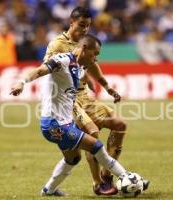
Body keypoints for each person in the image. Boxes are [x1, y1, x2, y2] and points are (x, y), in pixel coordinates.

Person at [10, 34, 144, 196]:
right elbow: (39, 71)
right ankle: (126, 176)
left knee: (73, 159)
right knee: (96, 146)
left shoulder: (79, 66)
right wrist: (21, 82)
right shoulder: (62, 60)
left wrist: (94, 84)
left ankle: (49, 190)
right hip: (55, 124)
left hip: (65, 122)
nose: (96, 59)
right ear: (84, 49)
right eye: (95, 54)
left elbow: (84, 75)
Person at [43, 6, 150, 195]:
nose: (85, 29)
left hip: (86, 97)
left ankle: (109, 176)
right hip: (70, 101)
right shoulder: (57, 45)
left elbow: (91, 65)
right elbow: (48, 70)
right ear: (71, 22)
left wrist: (106, 86)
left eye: (88, 26)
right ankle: (98, 183)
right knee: (92, 134)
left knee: (119, 125)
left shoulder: (87, 43)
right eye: (81, 25)